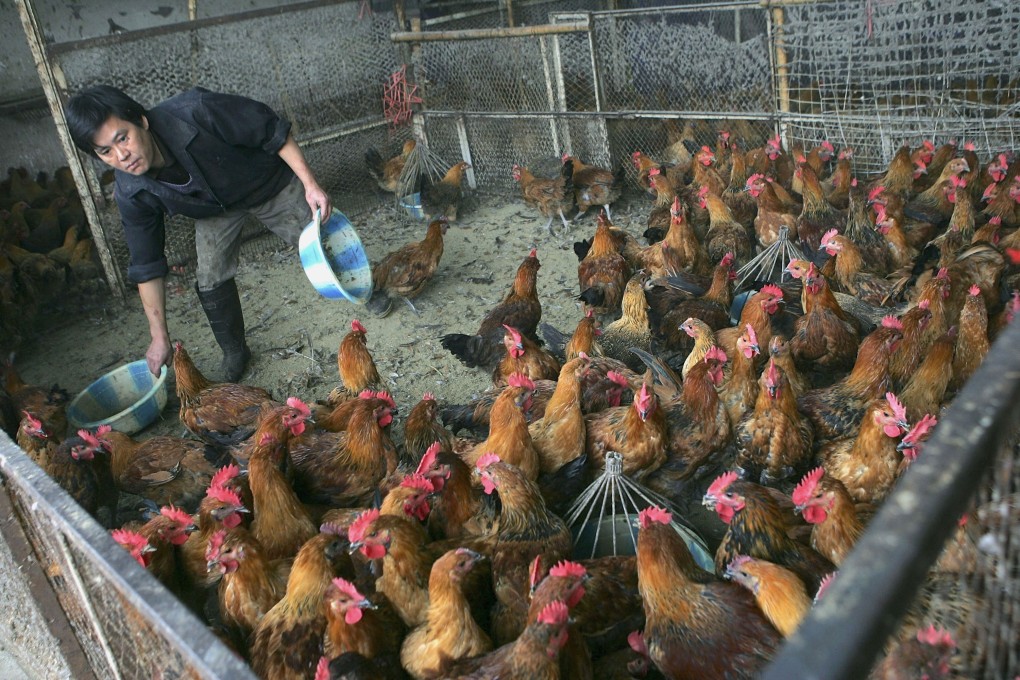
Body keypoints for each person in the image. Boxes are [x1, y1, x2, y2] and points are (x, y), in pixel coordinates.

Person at [64, 85, 331, 381]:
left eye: (122, 138)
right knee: (210, 278)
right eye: (106, 152)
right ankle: (234, 351)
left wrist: (310, 184)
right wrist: (159, 337)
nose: (121, 156)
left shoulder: (196, 111)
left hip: (266, 184)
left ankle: (366, 289)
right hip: (213, 211)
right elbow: (146, 264)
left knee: (319, 240)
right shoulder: (130, 191)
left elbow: (270, 130)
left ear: (142, 121)